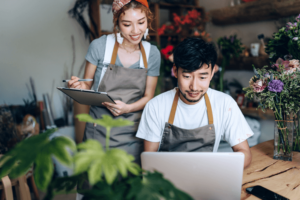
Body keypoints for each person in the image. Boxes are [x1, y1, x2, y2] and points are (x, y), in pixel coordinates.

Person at [136, 37, 253, 168]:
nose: (194, 87)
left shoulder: (225, 104)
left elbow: (244, 153)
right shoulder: (156, 106)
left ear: (212, 72)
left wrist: (220, 169)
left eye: (202, 77)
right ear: (175, 71)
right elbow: (149, 159)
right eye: (187, 76)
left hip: (209, 177)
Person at [68, 0, 160, 165]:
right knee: (97, 186)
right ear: (117, 22)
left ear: (148, 19)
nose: (135, 31)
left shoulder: (152, 54)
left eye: (141, 22)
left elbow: (148, 96)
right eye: (127, 24)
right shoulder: (100, 46)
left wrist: (128, 108)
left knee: (129, 186)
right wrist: (78, 86)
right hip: (99, 133)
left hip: (134, 134)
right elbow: (87, 86)